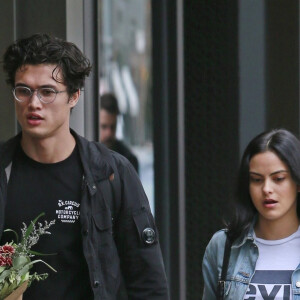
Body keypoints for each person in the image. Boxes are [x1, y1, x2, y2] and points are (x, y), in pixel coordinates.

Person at [0, 33, 169, 300]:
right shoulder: (4, 170)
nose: (33, 103)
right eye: (23, 90)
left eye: (47, 92)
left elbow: (147, 281)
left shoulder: (111, 174)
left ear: (74, 96)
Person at [202, 128, 300, 299]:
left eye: (278, 179)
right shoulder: (223, 246)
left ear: (297, 182)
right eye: (256, 179)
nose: (266, 189)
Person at [99, 93, 139, 173]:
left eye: (112, 127)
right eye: (104, 127)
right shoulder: (84, 157)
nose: (109, 133)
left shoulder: (128, 160)